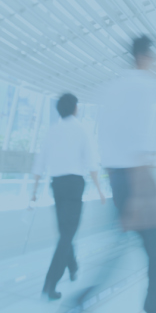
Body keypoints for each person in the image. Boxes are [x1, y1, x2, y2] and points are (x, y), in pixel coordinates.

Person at [97, 35, 156, 313]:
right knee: (154, 253)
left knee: (120, 248)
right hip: (137, 180)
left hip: (117, 178)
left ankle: (81, 300)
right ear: (145, 57)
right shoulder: (143, 86)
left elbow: (105, 136)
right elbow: (139, 138)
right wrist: (141, 194)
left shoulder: (113, 87)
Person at [32, 93, 105, 300]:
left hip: (57, 185)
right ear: (75, 108)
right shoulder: (82, 130)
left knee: (65, 231)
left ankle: (73, 267)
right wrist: (100, 189)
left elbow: (40, 163)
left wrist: (34, 193)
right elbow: (91, 163)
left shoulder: (51, 131)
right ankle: (50, 283)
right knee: (67, 234)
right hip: (74, 185)